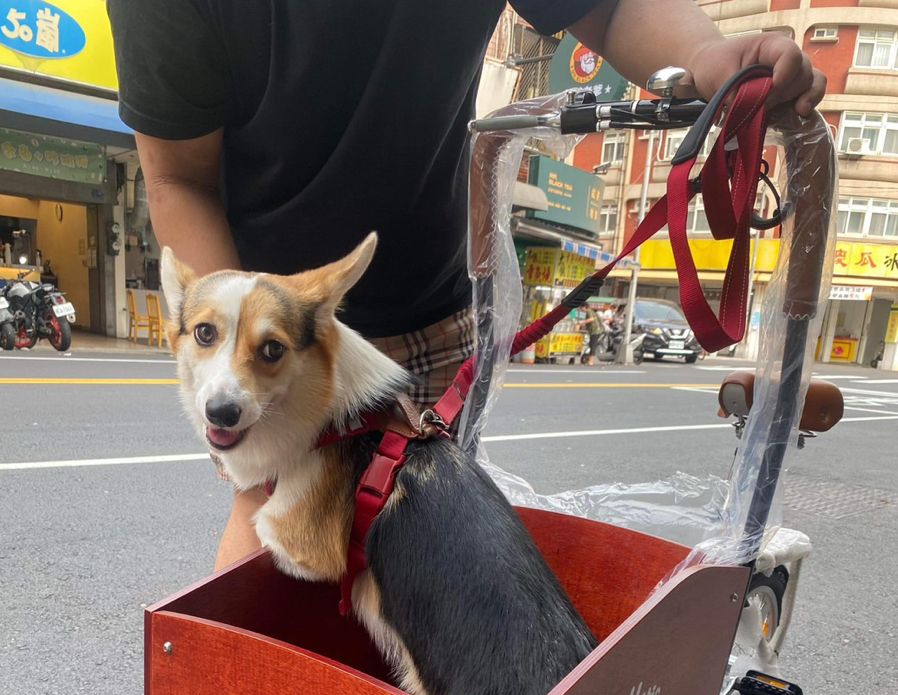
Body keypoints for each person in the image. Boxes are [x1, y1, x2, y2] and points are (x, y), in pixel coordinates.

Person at [107, 0, 825, 570]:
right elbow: (178, 178)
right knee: (276, 541)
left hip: (433, 309)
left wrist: (703, 55)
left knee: (429, 558)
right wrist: (236, 361)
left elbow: (604, 8)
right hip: (281, 349)